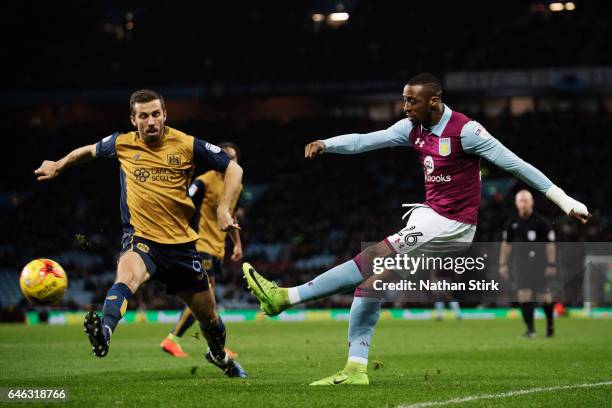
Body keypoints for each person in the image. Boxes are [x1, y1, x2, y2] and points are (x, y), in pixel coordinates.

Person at [242, 73, 591, 385]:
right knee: (372, 280)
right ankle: (355, 368)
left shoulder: (466, 131)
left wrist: (565, 201)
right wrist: (327, 143)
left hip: (452, 224)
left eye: (412, 100)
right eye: (404, 99)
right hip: (429, 217)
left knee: (372, 258)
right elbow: (366, 140)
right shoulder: (412, 129)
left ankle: (285, 297)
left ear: (434, 102)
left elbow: (517, 165)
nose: (405, 106)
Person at [34, 89, 247, 378]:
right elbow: (87, 151)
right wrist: (59, 165)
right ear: (133, 120)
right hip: (142, 239)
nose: (150, 121)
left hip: (182, 247)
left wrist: (224, 209)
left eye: (155, 114)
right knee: (127, 277)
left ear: (165, 115)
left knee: (209, 317)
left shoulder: (186, 143)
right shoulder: (121, 143)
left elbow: (234, 168)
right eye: (143, 116)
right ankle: (105, 331)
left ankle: (219, 356)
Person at [161, 142, 243, 358]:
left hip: (218, 250)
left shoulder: (236, 185)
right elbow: (184, 201)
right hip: (201, 244)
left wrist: (237, 243)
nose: (229, 161)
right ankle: (175, 339)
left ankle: (212, 344)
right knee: (206, 297)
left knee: (207, 300)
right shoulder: (204, 181)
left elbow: (232, 214)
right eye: (225, 157)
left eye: (232, 158)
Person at [499, 189, 557, 338]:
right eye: (520, 201)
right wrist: (503, 264)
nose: (523, 204)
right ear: (516, 203)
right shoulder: (512, 223)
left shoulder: (542, 222)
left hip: (540, 265)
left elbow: (550, 245)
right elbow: (506, 245)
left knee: (544, 296)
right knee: (524, 295)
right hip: (520, 265)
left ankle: (550, 326)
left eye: (526, 200)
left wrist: (551, 264)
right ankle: (530, 329)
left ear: (531, 202)